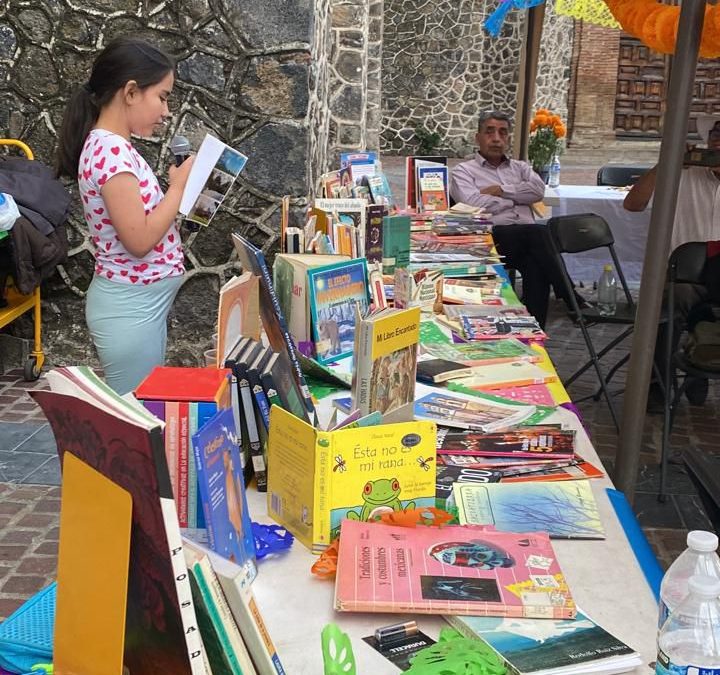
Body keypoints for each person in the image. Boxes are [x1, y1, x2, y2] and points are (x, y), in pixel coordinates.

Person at [56, 37, 194, 395]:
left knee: (141, 420)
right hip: (131, 310)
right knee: (137, 425)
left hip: (139, 307)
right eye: (162, 97)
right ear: (131, 92)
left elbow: (145, 224)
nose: (166, 111)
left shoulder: (115, 147)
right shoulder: (110, 151)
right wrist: (177, 189)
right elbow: (139, 240)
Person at [624, 114, 720, 407]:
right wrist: (668, 163)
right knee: (669, 300)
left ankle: (702, 355)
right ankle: (658, 383)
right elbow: (633, 203)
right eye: (716, 134)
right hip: (680, 276)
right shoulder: (683, 172)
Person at [450, 110, 577, 328]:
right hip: (491, 240)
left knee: (536, 265)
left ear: (508, 138)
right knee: (539, 232)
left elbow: (538, 191)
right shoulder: (463, 171)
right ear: (478, 137)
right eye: (489, 132)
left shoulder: (520, 167)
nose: (496, 138)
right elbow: (472, 203)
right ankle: (570, 297)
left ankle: (534, 334)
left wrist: (501, 190)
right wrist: (515, 198)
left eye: (502, 133)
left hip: (527, 244)